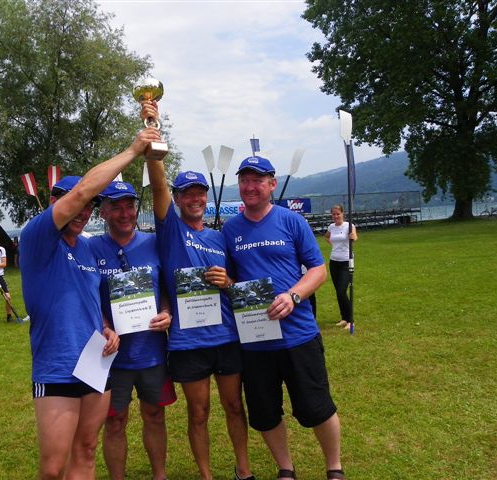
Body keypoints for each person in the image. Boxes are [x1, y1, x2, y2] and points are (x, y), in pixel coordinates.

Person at [19, 126, 159, 480]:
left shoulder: (87, 248)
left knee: (86, 451)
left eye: (88, 208)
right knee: (53, 468)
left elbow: (89, 300)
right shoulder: (38, 237)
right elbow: (83, 190)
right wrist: (133, 150)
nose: (82, 212)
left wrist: (107, 328)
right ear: (56, 203)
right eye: (76, 204)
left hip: (96, 363)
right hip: (56, 366)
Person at [143, 100, 254, 480]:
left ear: (206, 196)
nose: (195, 198)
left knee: (235, 407)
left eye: (200, 192)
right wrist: (153, 133)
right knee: (199, 412)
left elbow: (238, 286)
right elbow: (158, 183)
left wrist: (229, 282)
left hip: (226, 336)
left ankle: (243, 470)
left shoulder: (221, 237)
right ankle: (206, 475)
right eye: (186, 193)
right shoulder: (171, 231)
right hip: (189, 341)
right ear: (177, 199)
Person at [222, 156, 346, 480]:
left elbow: (318, 270)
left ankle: (334, 467)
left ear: (272, 184)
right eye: (245, 180)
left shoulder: (292, 221)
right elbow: (231, 280)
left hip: (298, 335)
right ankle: (285, 468)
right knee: (265, 413)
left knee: (317, 406)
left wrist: (293, 296)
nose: (250, 186)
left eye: (257, 180)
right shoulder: (230, 230)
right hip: (256, 341)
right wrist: (226, 282)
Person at [88, 180, 175, 480]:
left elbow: (166, 287)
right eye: (116, 207)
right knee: (115, 422)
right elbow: (86, 295)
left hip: (151, 352)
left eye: (129, 206)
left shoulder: (154, 243)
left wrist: (166, 312)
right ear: (103, 213)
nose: (125, 213)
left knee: (155, 415)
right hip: (111, 356)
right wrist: (104, 325)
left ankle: (159, 476)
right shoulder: (91, 248)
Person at [325, 204, 358, 330]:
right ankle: (344, 318)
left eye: (338, 214)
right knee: (338, 293)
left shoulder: (349, 225)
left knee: (341, 291)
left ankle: (351, 320)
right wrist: (334, 246)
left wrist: (352, 237)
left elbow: (355, 237)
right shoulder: (331, 227)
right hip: (334, 261)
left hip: (346, 261)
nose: (335, 216)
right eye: (333, 214)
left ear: (342, 214)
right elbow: (327, 237)